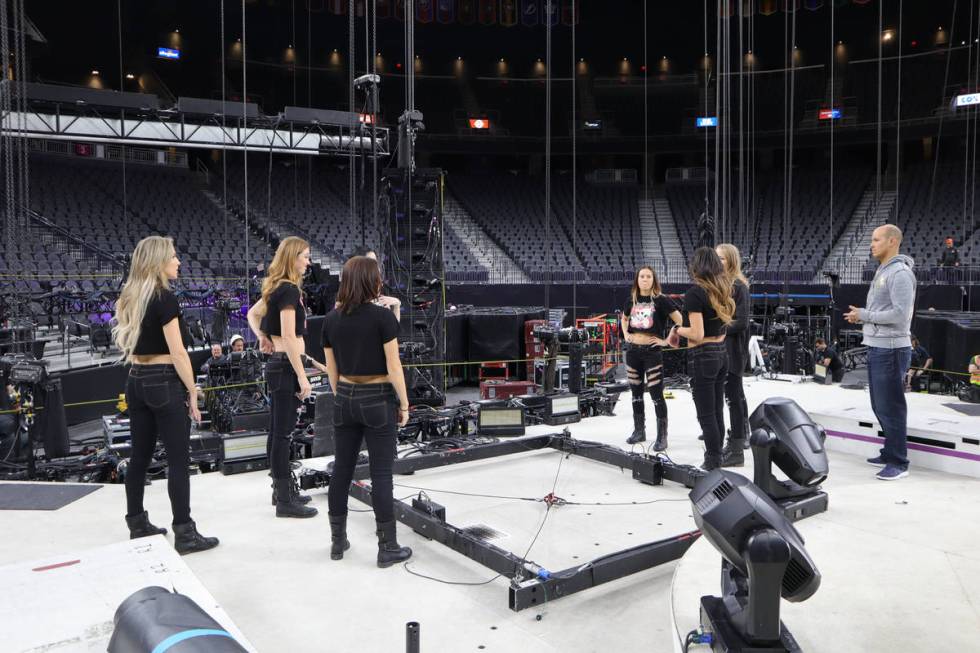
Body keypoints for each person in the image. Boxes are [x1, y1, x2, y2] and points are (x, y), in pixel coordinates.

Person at [112, 236, 218, 554]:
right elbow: (179, 354)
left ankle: (137, 523)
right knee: (177, 460)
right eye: (173, 257)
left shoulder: (132, 297)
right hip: (163, 382)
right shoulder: (165, 299)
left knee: (140, 457)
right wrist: (192, 390)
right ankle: (185, 533)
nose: (179, 262)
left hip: (136, 380)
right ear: (159, 262)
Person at [322, 256, 413, 567]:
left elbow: (331, 371)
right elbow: (394, 366)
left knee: (342, 472)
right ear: (373, 282)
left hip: (344, 397)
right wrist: (404, 403)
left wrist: (344, 397)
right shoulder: (381, 318)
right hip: (378, 398)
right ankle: (387, 547)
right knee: (381, 474)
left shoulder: (331, 319)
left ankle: (337, 542)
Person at [246, 236, 318, 518]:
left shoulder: (277, 288)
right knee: (283, 434)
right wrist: (303, 377)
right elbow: (288, 336)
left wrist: (262, 335)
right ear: (293, 258)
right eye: (305, 256)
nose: (308, 262)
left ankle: (282, 491)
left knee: (278, 433)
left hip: (278, 365)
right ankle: (285, 498)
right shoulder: (287, 290)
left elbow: (253, 315)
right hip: (286, 367)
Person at [844, 224, 916, 481]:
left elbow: (899, 314)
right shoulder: (883, 271)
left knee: (891, 406)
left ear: (892, 241)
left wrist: (865, 315)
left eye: (876, 240)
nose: (871, 244)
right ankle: (890, 451)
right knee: (879, 404)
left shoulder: (900, 274)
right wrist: (862, 318)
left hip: (892, 349)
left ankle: (899, 462)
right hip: (878, 346)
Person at [674, 247, 735, 471]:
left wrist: (678, 330)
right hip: (721, 353)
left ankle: (712, 461)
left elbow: (697, 333)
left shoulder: (695, 294)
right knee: (717, 409)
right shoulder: (722, 290)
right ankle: (716, 458)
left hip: (703, 356)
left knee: (706, 414)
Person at [620, 265, 682, 449]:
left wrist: (666, 341)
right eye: (642, 276)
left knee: (656, 394)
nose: (645, 279)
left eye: (648, 276)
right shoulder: (631, 300)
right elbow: (624, 319)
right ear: (637, 280)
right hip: (632, 352)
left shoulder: (661, 300)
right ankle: (639, 431)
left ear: (653, 279)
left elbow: (681, 321)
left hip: (652, 353)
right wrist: (625, 335)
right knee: (636, 394)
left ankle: (662, 436)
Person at [716, 243, 750, 466]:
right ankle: (727, 435)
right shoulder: (717, 284)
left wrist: (716, 328)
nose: (717, 262)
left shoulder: (739, 286)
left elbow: (742, 321)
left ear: (731, 261)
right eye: (715, 258)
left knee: (734, 398)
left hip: (733, 350)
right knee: (726, 397)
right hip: (717, 349)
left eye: (722, 258)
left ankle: (738, 444)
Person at [348, 246, 401, 321]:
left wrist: (397, 305)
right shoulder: (347, 296)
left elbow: (394, 329)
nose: (376, 267)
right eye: (371, 263)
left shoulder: (383, 292)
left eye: (375, 262)